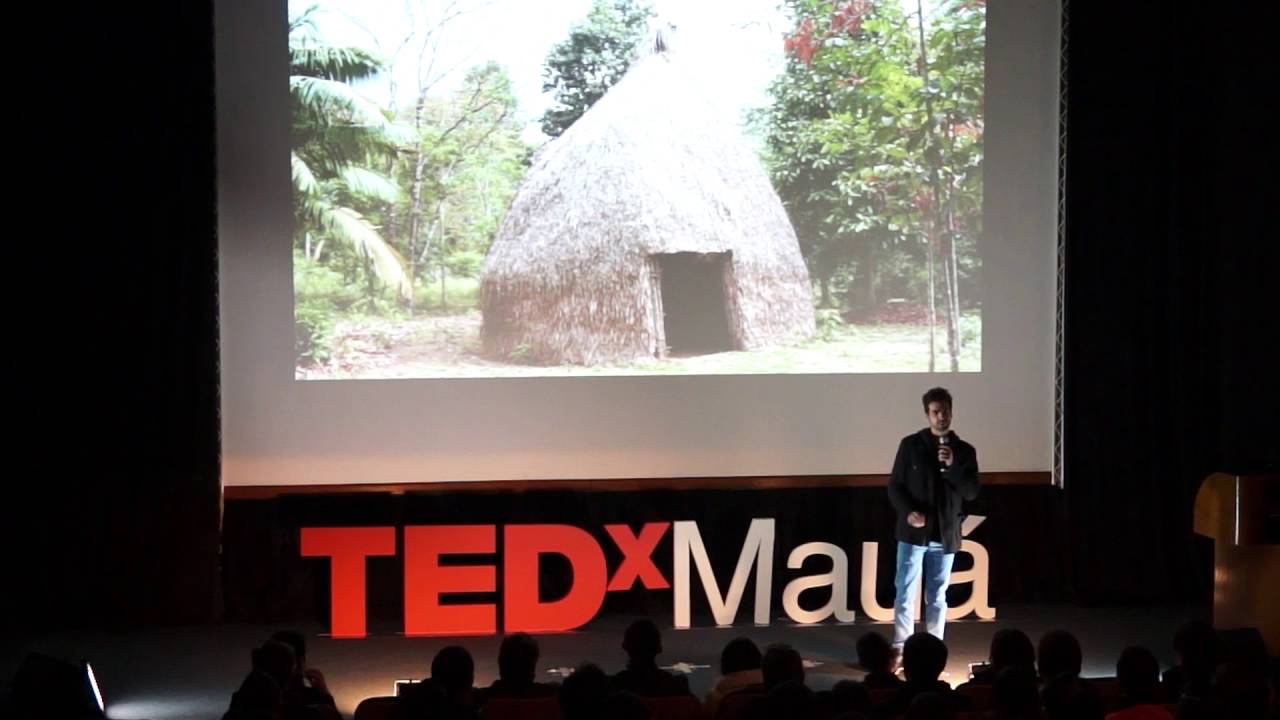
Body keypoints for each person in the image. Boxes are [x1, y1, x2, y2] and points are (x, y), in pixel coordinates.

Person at [888, 387, 981, 655]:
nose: (941, 417)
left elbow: (971, 492)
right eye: (935, 412)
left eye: (946, 412)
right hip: (913, 533)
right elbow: (895, 485)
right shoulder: (910, 445)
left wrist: (952, 468)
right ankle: (901, 648)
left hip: (946, 533)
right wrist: (907, 511)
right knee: (905, 593)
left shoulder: (964, 451)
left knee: (937, 596)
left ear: (952, 412)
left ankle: (933, 650)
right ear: (927, 414)